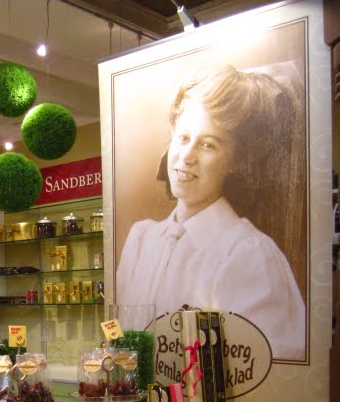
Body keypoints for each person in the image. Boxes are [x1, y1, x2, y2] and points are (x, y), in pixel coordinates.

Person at [116, 63, 306, 361]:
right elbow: (120, 335)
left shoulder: (250, 255)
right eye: (183, 138)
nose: (187, 157)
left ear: (235, 160)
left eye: (208, 145)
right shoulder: (141, 240)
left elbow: (268, 367)